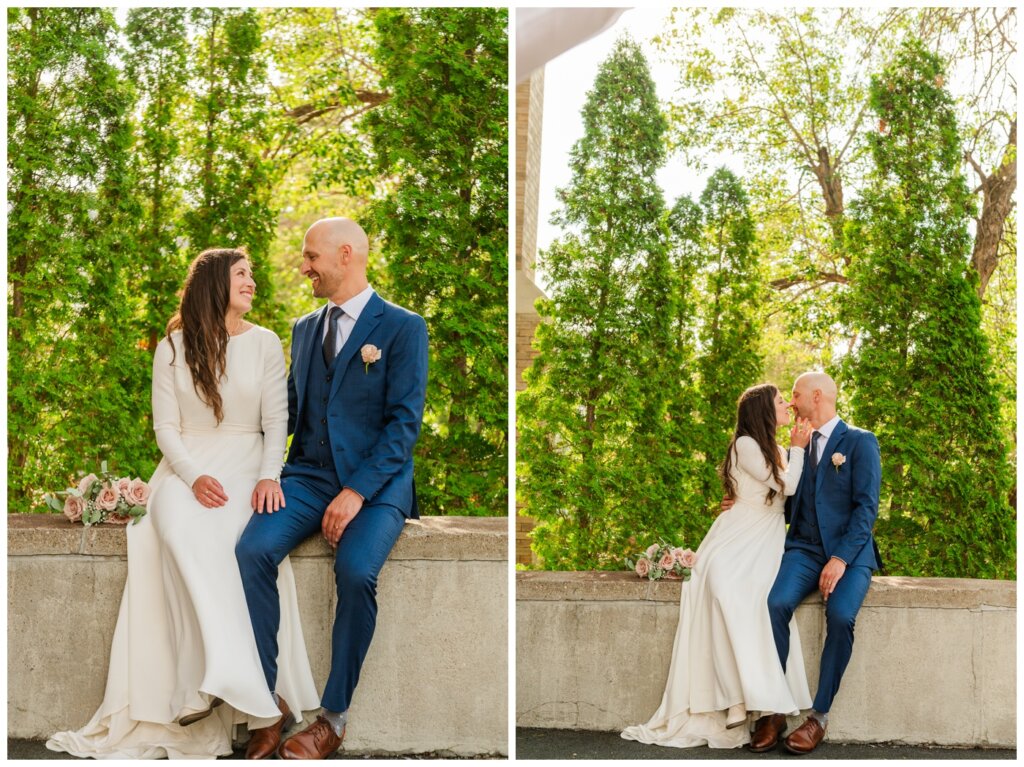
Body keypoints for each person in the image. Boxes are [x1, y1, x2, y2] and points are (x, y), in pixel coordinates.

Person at [47, 249, 318, 759]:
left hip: (247, 463)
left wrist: (267, 476)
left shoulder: (264, 343)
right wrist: (193, 478)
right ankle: (221, 684)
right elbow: (165, 428)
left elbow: (277, 421)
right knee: (173, 532)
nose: (252, 282)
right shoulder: (172, 347)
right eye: (242, 274)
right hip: (185, 467)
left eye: (252, 275)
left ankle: (212, 684)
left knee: (229, 539)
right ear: (216, 283)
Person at [235, 218, 429, 760]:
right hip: (309, 476)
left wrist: (357, 492)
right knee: (252, 549)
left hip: (378, 484)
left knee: (356, 570)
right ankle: (267, 706)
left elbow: (403, 425)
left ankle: (333, 718)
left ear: (346, 255)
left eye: (311, 256)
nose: (304, 267)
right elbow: (287, 412)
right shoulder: (303, 328)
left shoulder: (402, 328)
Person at [621, 383, 813, 749]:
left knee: (758, 604)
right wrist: (799, 449)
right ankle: (734, 699)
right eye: (779, 400)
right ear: (763, 410)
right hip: (738, 535)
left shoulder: (773, 447)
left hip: (766, 536)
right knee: (724, 593)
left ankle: (752, 700)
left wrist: (793, 451)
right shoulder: (746, 443)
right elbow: (785, 485)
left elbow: (781, 496)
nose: (786, 404)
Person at [749, 371, 881, 755]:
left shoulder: (859, 442)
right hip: (804, 550)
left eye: (795, 395)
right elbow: (785, 501)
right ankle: (775, 711)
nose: (790, 403)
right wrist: (741, 504)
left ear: (817, 396)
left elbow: (866, 509)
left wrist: (840, 558)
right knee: (775, 604)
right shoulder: (798, 446)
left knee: (840, 616)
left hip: (850, 555)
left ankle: (818, 716)